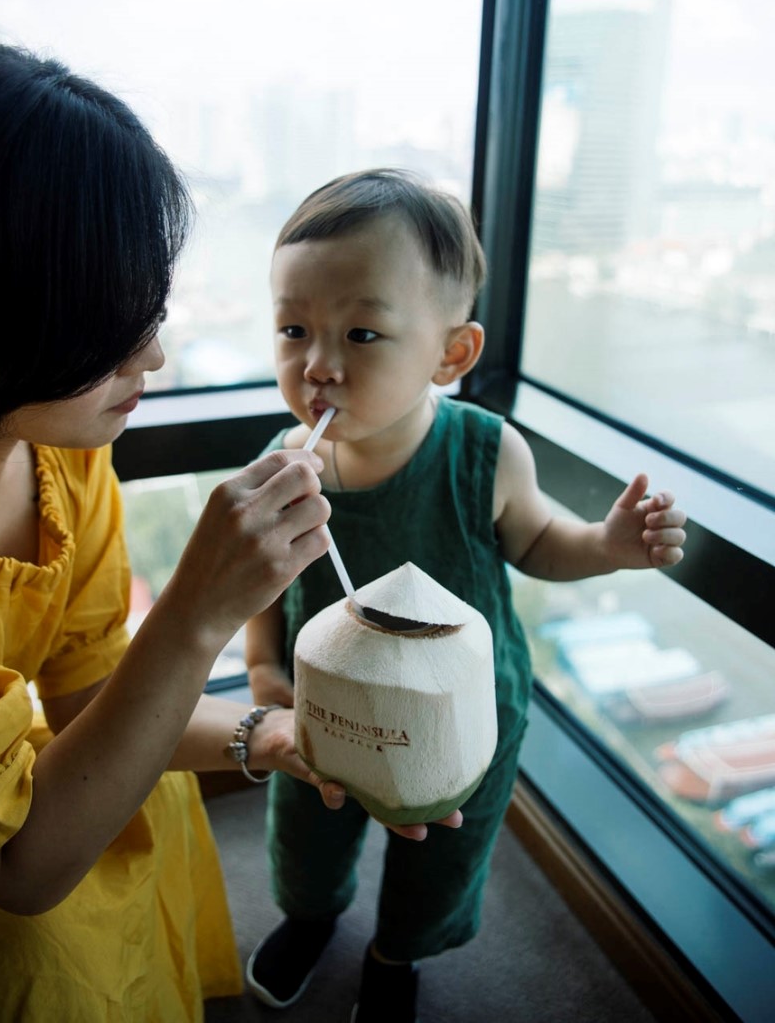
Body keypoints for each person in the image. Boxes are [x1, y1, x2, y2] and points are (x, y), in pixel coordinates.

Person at [0, 45, 454, 1023]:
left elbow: (88, 703)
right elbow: (18, 865)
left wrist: (268, 734)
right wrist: (199, 613)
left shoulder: (62, 459)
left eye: (150, 309)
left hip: (92, 799)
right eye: (111, 324)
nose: (152, 352)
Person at [244, 167, 688, 1023]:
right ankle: (312, 915)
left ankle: (396, 953)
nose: (320, 366)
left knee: (439, 860)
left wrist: (607, 546)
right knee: (306, 833)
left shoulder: (486, 453)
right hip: (323, 708)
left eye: (362, 335)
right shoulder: (283, 464)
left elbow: (541, 544)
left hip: (461, 716)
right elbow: (265, 582)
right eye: (294, 329)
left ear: (451, 353)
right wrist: (265, 667)